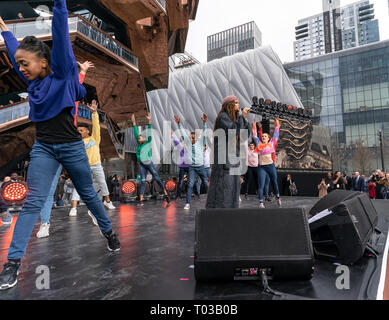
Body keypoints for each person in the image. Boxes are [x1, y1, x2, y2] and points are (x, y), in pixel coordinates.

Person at [0, 2, 120, 291]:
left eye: (25, 63)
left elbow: (60, 32)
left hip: (71, 146)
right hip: (44, 147)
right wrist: (5, 31)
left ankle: (108, 232)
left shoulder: (64, 74)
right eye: (19, 64)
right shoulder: (32, 83)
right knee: (33, 202)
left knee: (90, 195)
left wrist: (60, 4)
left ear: (43, 61)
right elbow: (16, 49)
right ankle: (12, 263)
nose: (21, 68)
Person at [36, 60, 96, 238]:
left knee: (85, 185)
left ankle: (95, 212)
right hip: (51, 147)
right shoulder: (45, 98)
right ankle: (45, 223)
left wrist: (82, 72)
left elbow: (75, 86)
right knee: (49, 188)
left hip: (70, 145)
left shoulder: (70, 97)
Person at [69, 99, 116, 218]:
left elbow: (96, 127)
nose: (79, 132)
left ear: (87, 131)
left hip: (96, 164)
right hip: (84, 167)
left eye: (81, 130)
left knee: (102, 183)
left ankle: (108, 201)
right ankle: (74, 207)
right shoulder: (78, 142)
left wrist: (94, 113)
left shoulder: (94, 138)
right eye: (78, 131)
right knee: (78, 185)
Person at [206, 96, 250, 209]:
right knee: (223, 189)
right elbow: (233, 130)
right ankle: (219, 214)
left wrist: (245, 121)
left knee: (233, 189)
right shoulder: (222, 117)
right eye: (235, 103)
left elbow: (244, 136)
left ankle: (231, 214)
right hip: (224, 161)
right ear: (229, 105)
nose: (238, 105)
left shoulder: (234, 119)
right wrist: (242, 117)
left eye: (238, 102)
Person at [131, 112, 170, 206]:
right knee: (143, 181)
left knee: (156, 178)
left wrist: (149, 121)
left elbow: (149, 131)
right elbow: (136, 133)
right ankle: (141, 200)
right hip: (142, 164)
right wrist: (134, 123)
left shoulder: (148, 142)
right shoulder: (139, 144)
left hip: (149, 163)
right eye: (138, 138)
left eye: (140, 138)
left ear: (144, 139)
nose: (138, 139)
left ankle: (165, 194)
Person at [174, 114, 208, 210]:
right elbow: (182, 133)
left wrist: (204, 123)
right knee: (190, 184)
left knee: (205, 182)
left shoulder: (201, 143)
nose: (192, 139)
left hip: (200, 167)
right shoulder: (188, 143)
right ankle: (188, 203)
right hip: (192, 167)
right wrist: (179, 124)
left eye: (193, 137)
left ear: (196, 138)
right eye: (191, 137)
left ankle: (211, 200)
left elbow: (204, 133)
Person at [253, 118, 282, 208]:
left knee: (274, 182)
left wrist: (277, 124)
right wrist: (254, 124)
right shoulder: (259, 144)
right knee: (261, 185)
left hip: (270, 166)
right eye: (263, 137)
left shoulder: (272, 143)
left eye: (265, 136)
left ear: (269, 138)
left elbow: (276, 134)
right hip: (262, 167)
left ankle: (277, 196)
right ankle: (261, 202)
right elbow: (254, 135)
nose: (263, 137)